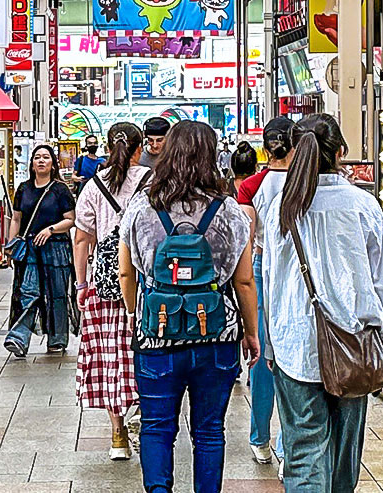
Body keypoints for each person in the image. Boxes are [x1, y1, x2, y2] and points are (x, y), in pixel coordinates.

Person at [253, 114, 383, 492]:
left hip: (293, 345)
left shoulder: (281, 206)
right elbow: (382, 282)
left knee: (303, 451)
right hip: (356, 341)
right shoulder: (362, 205)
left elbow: (271, 279)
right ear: (341, 153)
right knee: (345, 454)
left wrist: (270, 340)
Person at [118, 121, 257, 493]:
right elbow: (243, 280)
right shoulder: (229, 211)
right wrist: (252, 332)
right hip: (216, 333)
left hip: (157, 335)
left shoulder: (142, 207)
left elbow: (126, 273)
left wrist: (136, 313)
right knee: (210, 430)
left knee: (156, 426)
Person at [74, 123, 151, 461]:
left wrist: (81, 284)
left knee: (110, 358)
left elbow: (81, 238)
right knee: (144, 354)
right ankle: (143, 414)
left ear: (106, 147)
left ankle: (117, 433)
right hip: (146, 283)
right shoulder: (152, 181)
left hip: (104, 285)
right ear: (139, 148)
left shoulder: (93, 185)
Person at [231, 115, 295, 464]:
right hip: (298, 271)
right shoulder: (307, 183)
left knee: (262, 354)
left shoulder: (251, 186)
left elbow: (245, 238)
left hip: (259, 266)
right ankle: (287, 443)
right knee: (293, 356)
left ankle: (260, 438)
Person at [6, 144, 76, 357]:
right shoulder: (24, 189)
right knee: (28, 293)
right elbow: (16, 219)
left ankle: (57, 339)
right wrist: (11, 246)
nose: (41, 161)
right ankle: (18, 338)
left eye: (46, 157)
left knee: (57, 295)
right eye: (37, 157)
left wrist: (51, 230)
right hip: (30, 249)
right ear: (32, 163)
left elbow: (71, 219)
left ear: (53, 163)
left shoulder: (60, 190)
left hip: (56, 249)